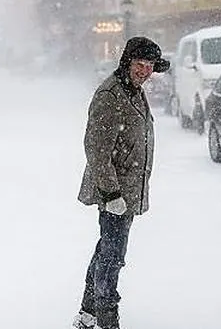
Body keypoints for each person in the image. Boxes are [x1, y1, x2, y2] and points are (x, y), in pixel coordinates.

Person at [73, 37, 169, 329]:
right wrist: (112, 193)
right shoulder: (110, 95)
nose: (144, 71)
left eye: (149, 66)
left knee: (107, 250)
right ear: (127, 62)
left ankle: (88, 314)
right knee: (112, 257)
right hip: (114, 192)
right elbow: (96, 149)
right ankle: (106, 320)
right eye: (139, 64)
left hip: (127, 189)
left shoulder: (133, 90)